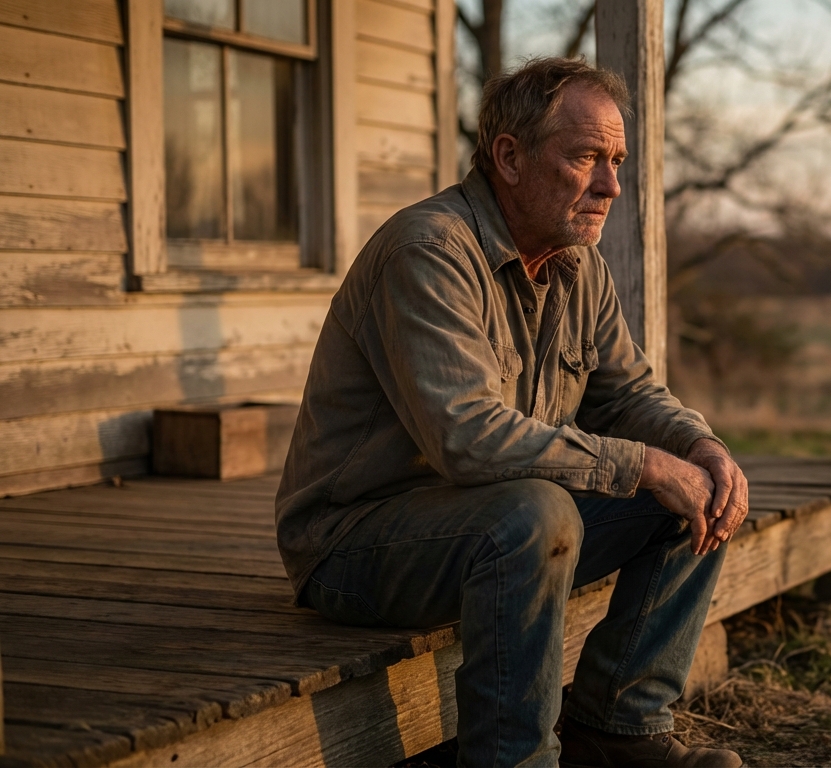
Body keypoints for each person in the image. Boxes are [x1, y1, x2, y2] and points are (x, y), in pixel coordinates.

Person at [274, 57, 748, 768]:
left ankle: (618, 728)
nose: (611, 185)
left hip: (484, 522)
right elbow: (466, 439)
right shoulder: (429, 251)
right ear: (510, 157)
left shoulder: (575, 265)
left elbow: (628, 393)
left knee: (692, 492)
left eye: (616, 160)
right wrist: (642, 464)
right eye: (588, 157)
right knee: (537, 514)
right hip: (355, 542)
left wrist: (698, 447)